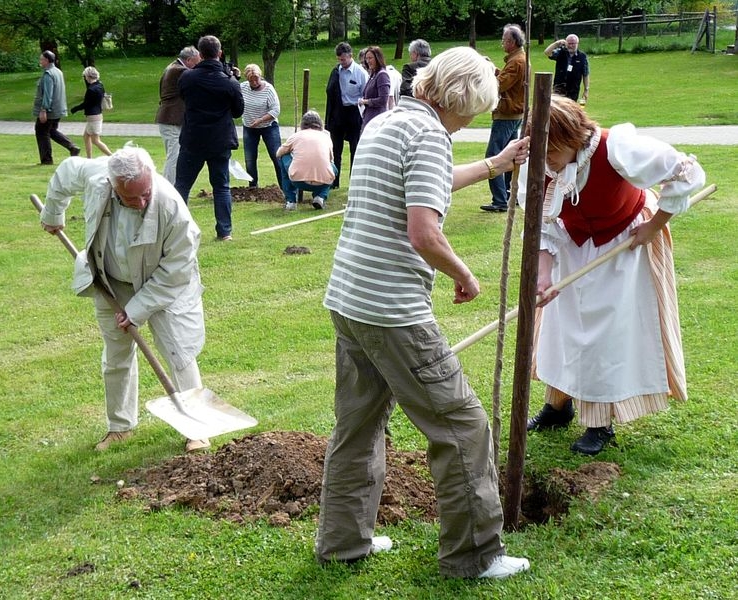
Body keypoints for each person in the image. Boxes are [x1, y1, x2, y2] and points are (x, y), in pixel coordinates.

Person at [318, 46, 531, 580]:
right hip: (393, 311)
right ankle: (474, 556)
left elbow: (423, 182)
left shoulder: (387, 123)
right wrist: (464, 273)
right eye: (474, 109)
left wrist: (494, 166)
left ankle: (344, 543)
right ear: (459, 98)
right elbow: (423, 231)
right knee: (462, 425)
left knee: (358, 425)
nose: (472, 120)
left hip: (349, 300)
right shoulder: (432, 136)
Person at [521, 96, 705, 455]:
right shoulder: (541, 165)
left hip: (622, 244)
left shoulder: (617, 148)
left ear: (572, 137)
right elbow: (544, 224)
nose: (546, 163)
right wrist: (543, 275)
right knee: (562, 325)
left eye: (551, 152)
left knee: (603, 332)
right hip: (572, 245)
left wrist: (654, 225)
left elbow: (684, 172)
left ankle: (599, 422)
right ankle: (558, 406)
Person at [39, 144, 211, 453]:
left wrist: (137, 310)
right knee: (116, 354)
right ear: (114, 185)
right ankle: (120, 427)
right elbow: (65, 173)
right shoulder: (98, 177)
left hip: (165, 284)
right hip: (111, 280)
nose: (142, 201)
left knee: (178, 351)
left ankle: (196, 428)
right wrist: (53, 212)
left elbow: (175, 272)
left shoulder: (172, 210)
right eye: (132, 197)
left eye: (146, 192)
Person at [174, 35, 244, 241]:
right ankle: (225, 231)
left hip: (193, 138)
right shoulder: (229, 82)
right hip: (219, 140)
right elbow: (238, 111)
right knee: (221, 186)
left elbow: (185, 97)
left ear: (200, 54)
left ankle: (177, 231)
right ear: (220, 53)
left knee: (182, 185)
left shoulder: (187, 78)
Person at [481, 24, 526, 213]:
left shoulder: (517, 62)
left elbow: (500, 85)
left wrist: (487, 70)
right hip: (514, 113)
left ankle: (500, 200)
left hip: (507, 114)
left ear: (512, 42)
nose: (502, 44)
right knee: (511, 155)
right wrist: (495, 69)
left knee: (494, 155)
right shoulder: (519, 59)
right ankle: (509, 195)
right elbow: (509, 80)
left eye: (504, 40)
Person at [156, 46, 201, 185]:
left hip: (170, 119)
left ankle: (169, 187)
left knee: (175, 156)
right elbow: (198, 77)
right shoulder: (179, 70)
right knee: (174, 157)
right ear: (188, 60)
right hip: (171, 120)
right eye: (197, 62)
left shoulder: (172, 67)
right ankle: (169, 188)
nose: (198, 65)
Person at [325, 42, 367, 189]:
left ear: (351, 56)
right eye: (339, 60)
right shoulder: (336, 71)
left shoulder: (361, 73)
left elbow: (365, 94)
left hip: (354, 112)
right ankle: (334, 181)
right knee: (336, 148)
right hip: (339, 112)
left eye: (343, 59)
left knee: (355, 148)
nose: (341, 62)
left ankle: (353, 181)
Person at [276, 110, 337, 211]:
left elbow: (278, 153)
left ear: (303, 124)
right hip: (323, 181)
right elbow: (331, 160)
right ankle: (320, 196)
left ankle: (291, 201)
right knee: (333, 168)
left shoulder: (296, 136)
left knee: (283, 157)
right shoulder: (326, 137)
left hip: (298, 180)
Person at [33, 50, 80, 165]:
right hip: (58, 109)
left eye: (42, 59)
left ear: (47, 60)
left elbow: (48, 94)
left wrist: (43, 110)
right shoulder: (58, 72)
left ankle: (47, 160)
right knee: (51, 131)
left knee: (41, 132)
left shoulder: (48, 74)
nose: (40, 61)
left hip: (50, 110)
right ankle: (72, 147)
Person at [240, 64, 283, 189]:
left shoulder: (268, 89)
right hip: (249, 127)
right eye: (251, 80)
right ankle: (253, 186)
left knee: (277, 157)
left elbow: (276, 110)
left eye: (256, 78)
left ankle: (285, 187)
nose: (254, 82)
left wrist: (260, 120)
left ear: (261, 76)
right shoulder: (242, 87)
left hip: (269, 126)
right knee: (250, 159)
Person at [70, 66, 112, 159]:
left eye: (85, 76)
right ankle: (89, 158)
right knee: (86, 136)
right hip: (98, 114)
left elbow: (86, 104)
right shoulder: (100, 85)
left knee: (96, 140)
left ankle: (111, 156)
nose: (84, 78)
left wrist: (75, 109)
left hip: (93, 117)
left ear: (88, 76)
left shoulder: (91, 90)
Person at [544, 34, 589, 103]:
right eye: (569, 43)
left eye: (573, 43)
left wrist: (586, 90)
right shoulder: (561, 52)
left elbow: (585, 74)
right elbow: (547, 52)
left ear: (577, 44)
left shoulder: (582, 56)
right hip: (558, 88)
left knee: (570, 110)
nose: (571, 46)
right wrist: (556, 43)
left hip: (573, 90)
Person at [358, 46, 392, 131]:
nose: (368, 61)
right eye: (366, 58)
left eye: (370, 58)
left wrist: (366, 101)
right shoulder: (373, 75)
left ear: (377, 58)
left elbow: (383, 100)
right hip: (368, 116)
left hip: (377, 118)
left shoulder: (382, 75)